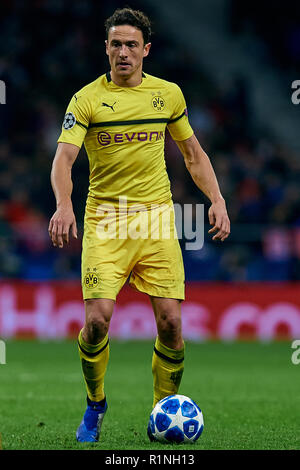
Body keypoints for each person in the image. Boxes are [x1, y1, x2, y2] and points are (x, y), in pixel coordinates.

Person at [48, 7, 230, 443]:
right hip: (105, 221)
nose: (123, 52)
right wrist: (63, 204)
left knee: (171, 324)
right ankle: (95, 404)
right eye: (116, 44)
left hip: (156, 221)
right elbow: (64, 159)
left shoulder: (168, 95)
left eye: (132, 45)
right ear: (106, 48)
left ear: (146, 50)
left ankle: (160, 410)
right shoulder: (86, 99)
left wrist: (218, 199)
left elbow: (193, 154)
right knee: (97, 321)